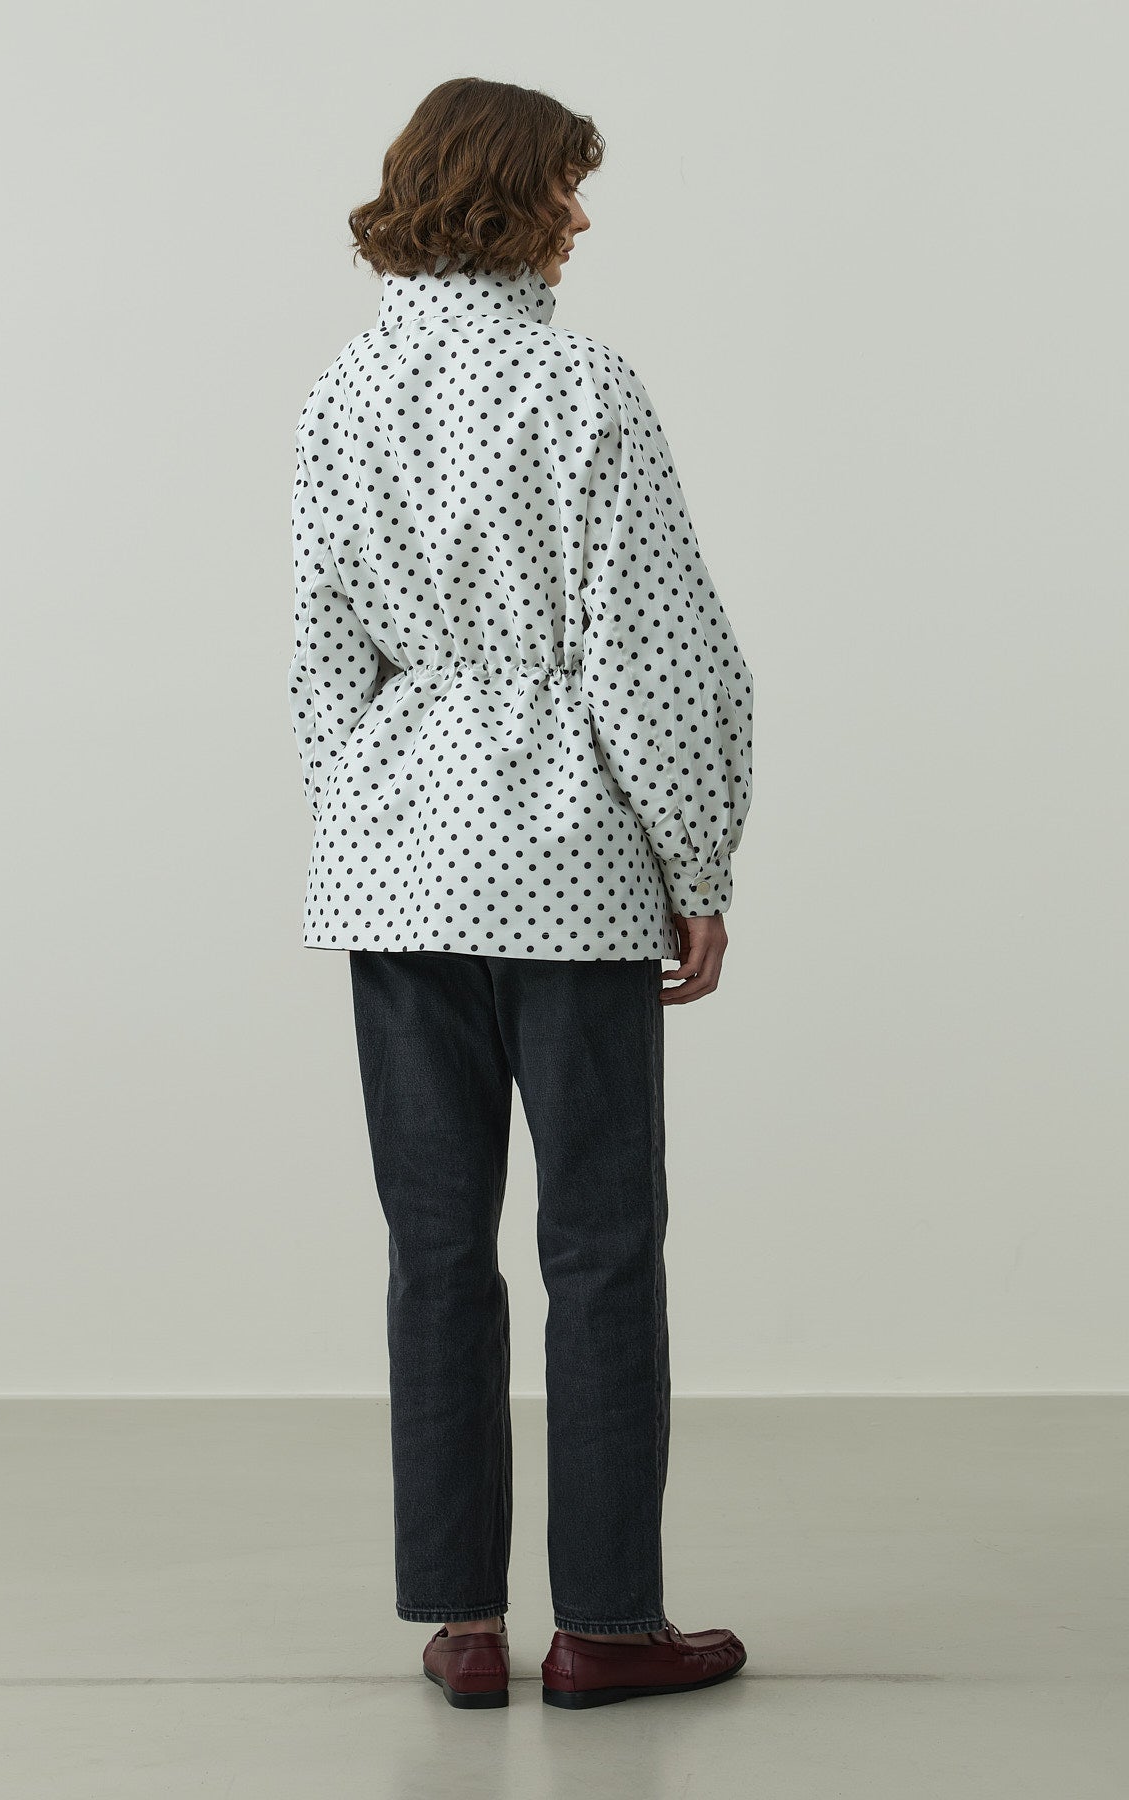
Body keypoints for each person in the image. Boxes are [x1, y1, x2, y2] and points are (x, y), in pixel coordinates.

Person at [288, 76, 754, 1710]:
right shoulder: (582, 383)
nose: (580, 213)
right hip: (569, 871)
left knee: (434, 1249)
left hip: (395, 876)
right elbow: (655, 650)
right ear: (511, 197)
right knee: (602, 1245)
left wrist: (371, 819)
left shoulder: (341, 391)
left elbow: (321, 660)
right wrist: (698, 862)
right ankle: (608, 1623)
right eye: (566, 185)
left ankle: (465, 1624)